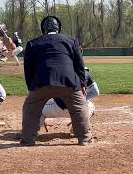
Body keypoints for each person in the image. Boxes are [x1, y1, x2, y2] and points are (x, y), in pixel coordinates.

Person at [21, 16, 92, 146]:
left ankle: (27, 140)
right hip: (69, 81)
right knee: (80, 107)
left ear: (43, 29)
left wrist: (31, 87)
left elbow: (28, 69)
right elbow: (79, 65)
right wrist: (82, 84)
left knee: (30, 109)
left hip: (41, 82)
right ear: (58, 28)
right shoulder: (72, 41)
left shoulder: (33, 43)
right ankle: (84, 138)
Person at [40, 67, 100, 133]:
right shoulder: (85, 73)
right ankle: (77, 129)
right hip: (79, 110)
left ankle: (33, 131)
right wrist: (79, 99)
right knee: (91, 107)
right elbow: (95, 93)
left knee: (38, 109)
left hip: (57, 108)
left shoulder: (56, 71)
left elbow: (45, 93)